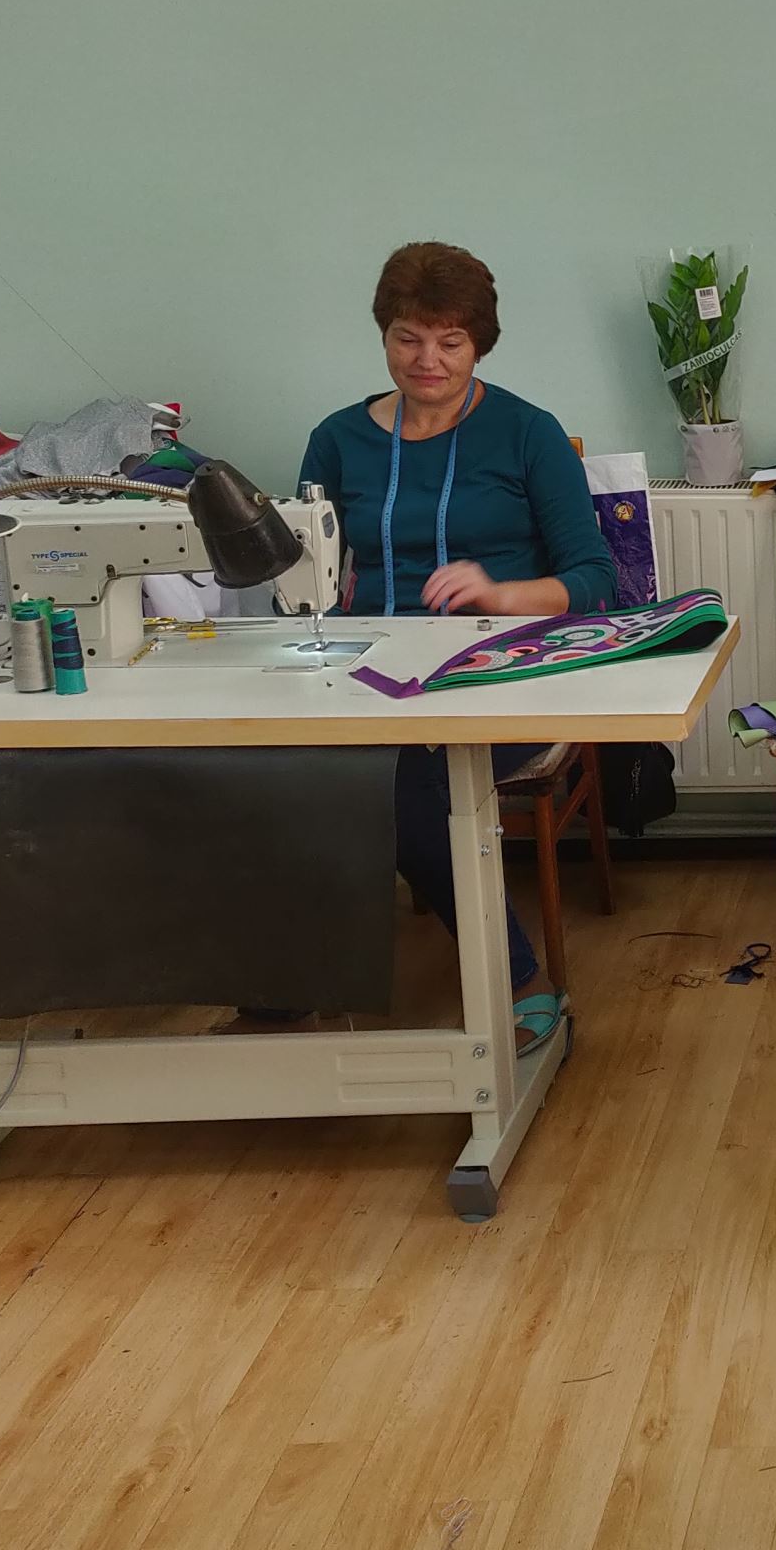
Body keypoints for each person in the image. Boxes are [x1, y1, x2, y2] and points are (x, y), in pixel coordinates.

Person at [299, 241, 618, 1056]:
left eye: (450, 341)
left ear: (479, 343)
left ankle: (519, 978)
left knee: (409, 775)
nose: (427, 360)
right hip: (371, 671)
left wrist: (499, 593)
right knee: (265, 766)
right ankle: (284, 987)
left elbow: (595, 580)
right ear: (384, 333)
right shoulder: (337, 440)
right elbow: (304, 568)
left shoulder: (527, 434)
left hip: (506, 673)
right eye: (408, 338)